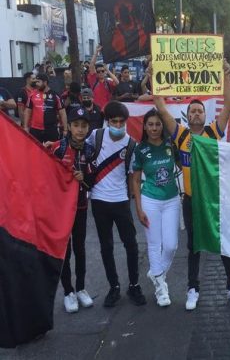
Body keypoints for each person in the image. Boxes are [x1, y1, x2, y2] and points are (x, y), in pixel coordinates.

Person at [152, 60, 230, 311]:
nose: (196, 113)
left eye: (200, 110)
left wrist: (226, 76)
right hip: (190, 200)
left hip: (213, 200)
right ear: (187, 117)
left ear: (205, 115)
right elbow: (160, 107)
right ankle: (192, 289)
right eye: (193, 111)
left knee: (222, 243)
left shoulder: (213, 132)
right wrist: (155, 78)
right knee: (193, 245)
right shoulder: (181, 135)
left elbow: (229, 105)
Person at [87, 101, 146, 308]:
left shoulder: (132, 145)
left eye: (122, 122)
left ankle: (134, 284)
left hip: (121, 201)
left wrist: (136, 204)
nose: (118, 125)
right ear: (107, 121)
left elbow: (133, 178)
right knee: (106, 246)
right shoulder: (96, 136)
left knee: (131, 244)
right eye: (114, 121)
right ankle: (114, 287)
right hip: (99, 200)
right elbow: (77, 150)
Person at [48, 107, 95, 313]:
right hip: (61, 211)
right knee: (64, 252)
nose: (80, 130)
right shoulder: (57, 149)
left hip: (81, 207)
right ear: (69, 126)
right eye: (76, 125)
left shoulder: (90, 150)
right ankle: (68, 291)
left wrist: (84, 178)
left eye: (84, 126)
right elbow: (45, 174)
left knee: (80, 249)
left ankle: (82, 288)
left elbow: (92, 180)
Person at [131, 109, 180, 307]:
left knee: (171, 245)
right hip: (150, 200)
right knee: (154, 244)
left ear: (163, 126)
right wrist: (139, 208)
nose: (154, 128)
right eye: (150, 124)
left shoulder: (171, 145)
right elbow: (135, 180)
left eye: (158, 124)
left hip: (172, 200)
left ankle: (156, 273)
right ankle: (161, 289)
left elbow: (184, 165)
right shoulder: (140, 149)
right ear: (144, 126)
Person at [23, 73, 68, 143]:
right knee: (35, 151)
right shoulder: (32, 95)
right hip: (35, 130)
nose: (36, 84)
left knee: (52, 150)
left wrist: (65, 129)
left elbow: (62, 113)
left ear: (45, 82)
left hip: (51, 129)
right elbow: (28, 111)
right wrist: (25, 127)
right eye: (36, 82)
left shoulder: (55, 95)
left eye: (38, 82)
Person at [87, 45, 119, 109]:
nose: (101, 73)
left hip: (107, 109)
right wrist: (96, 52)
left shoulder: (108, 82)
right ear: (96, 73)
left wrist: (107, 70)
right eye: (98, 71)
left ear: (105, 72)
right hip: (96, 109)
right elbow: (91, 66)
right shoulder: (93, 80)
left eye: (102, 71)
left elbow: (117, 82)